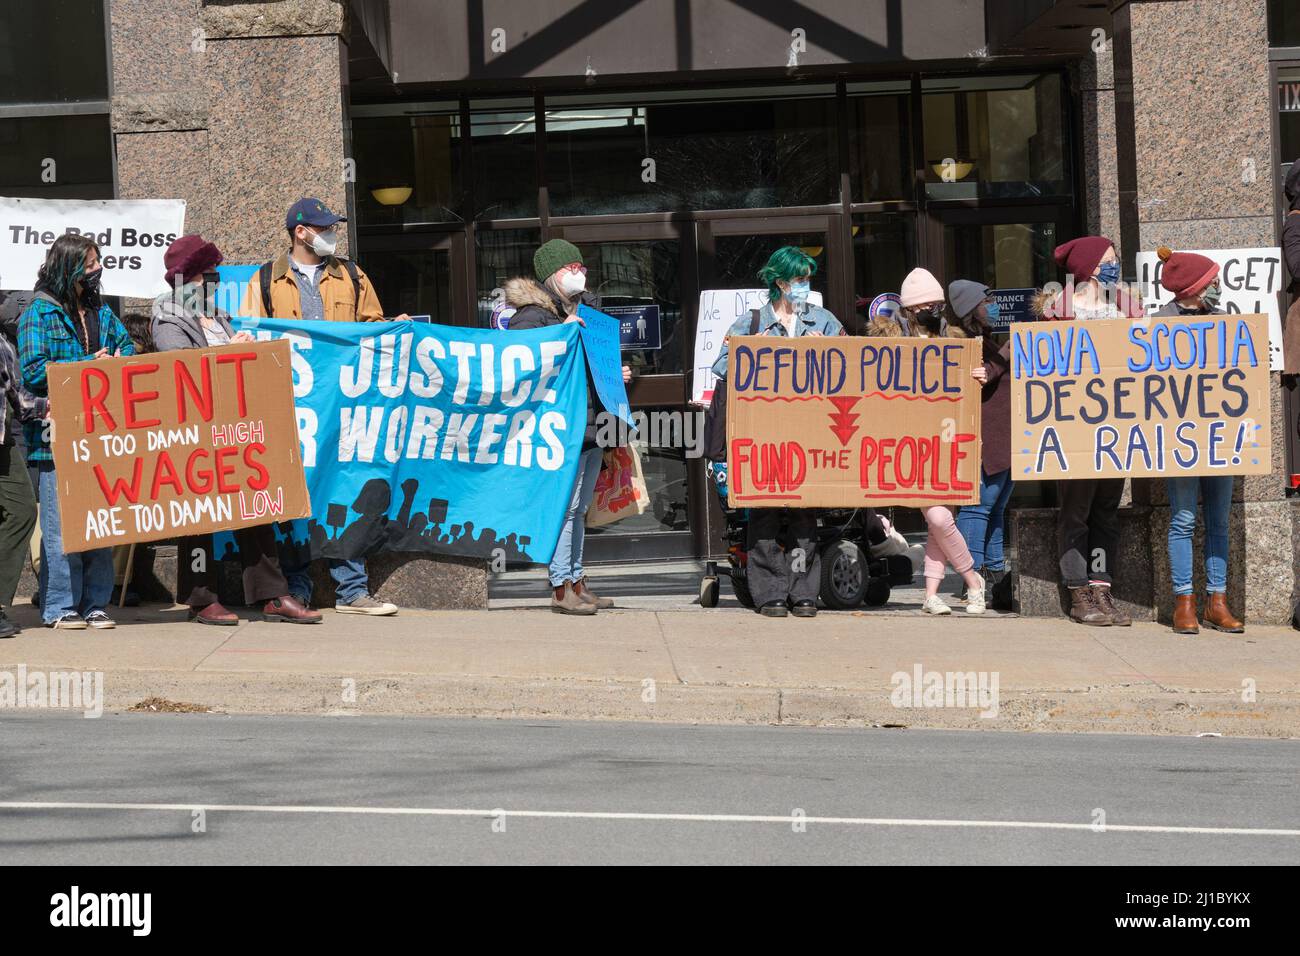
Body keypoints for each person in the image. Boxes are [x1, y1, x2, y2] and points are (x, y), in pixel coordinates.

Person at [241, 198, 399, 616]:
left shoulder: (350, 274)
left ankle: (352, 589)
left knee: (344, 488)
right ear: (301, 232)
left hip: (345, 405)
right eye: (324, 227)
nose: (331, 234)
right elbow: (251, 341)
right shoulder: (264, 282)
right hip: (291, 409)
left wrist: (393, 329)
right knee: (297, 495)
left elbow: (371, 326)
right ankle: (298, 587)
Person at [155, 235, 322, 624]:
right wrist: (226, 354)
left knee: (255, 508)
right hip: (195, 431)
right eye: (205, 274)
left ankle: (272, 594)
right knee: (198, 516)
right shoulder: (169, 318)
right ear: (187, 279)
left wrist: (240, 348)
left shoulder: (218, 314)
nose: (213, 280)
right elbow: (177, 369)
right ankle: (201, 598)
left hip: (232, 428)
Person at [710, 246, 843, 618]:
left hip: (809, 433)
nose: (804, 286)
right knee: (764, 515)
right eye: (798, 279)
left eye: (807, 279)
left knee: (803, 516)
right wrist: (763, 349)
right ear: (780, 283)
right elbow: (723, 365)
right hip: (763, 435)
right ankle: (770, 593)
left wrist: (830, 351)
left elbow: (852, 366)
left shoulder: (823, 321)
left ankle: (803, 592)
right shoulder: (751, 322)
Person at [504, 238, 632, 615]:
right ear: (551, 275)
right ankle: (561, 586)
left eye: (581, 266)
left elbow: (593, 364)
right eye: (569, 268)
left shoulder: (590, 311)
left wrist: (619, 372)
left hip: (592, 422)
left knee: (579, 508)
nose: (579, 273)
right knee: (566, 505)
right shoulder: (531, 316)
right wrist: (561, 333)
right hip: (561, 424)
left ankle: (577, 579)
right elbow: (523, 367)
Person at [19, 234, 134, 629]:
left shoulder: (98, 309)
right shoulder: (38, 313)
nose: (96, 269)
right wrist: (89, 366)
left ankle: (96, 603)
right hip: (56, 438)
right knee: (62, 527)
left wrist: (118, 359)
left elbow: (126, 346)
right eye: (89, 263)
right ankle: (60, 607)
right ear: (67, 266)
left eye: (98, 262)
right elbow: (33, 373)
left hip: (99, 434)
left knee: (100, 521)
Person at [1032, 236, 1138, 626]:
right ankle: (1079, 592)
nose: (1115, 266)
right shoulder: (1057, 314)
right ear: (1090, 267)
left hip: (1117, 429)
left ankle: (1102, 588)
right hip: (1074, 431)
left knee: (1106, 512)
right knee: (1076, 512)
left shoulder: (1126, 309)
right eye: (1109, 260)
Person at [867, 268, 986, 615]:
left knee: (940, 521)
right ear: (910, 309)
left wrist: (977, 373)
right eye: (926, 305)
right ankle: (974, 581)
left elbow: (968, 386)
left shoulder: (957, 339)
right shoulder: (889, 342)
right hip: (912, 444)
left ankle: (930, 594)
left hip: (949, 441)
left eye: (937, 303)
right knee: (937, 517)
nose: (933, 310)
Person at [1152, 247, 1243, 635]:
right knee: (1184, 519)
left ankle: (1216, 601)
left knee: (1219, 520)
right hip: (1179, 439)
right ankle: (1184, 602)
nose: (1218, 287)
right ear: (1194, 287)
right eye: (1212, 281)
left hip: (1219, 437)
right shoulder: (1158, 324)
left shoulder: (1225, 322)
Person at [949, 280, 1014, 611]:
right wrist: (1003, 356)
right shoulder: (964, 344)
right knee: (977, 509)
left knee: (997, 509)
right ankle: (971, 578)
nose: (994, 305)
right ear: (969, 309)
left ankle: (996, 575)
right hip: (985, 442)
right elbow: (979, 378)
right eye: (986, 300)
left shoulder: (988, 341)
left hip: (1005, 442)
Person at [0, 279, 45, 637]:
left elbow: (23, 400)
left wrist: (62, 401)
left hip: (3, 444)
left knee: (22, 510)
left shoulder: (4, 346)